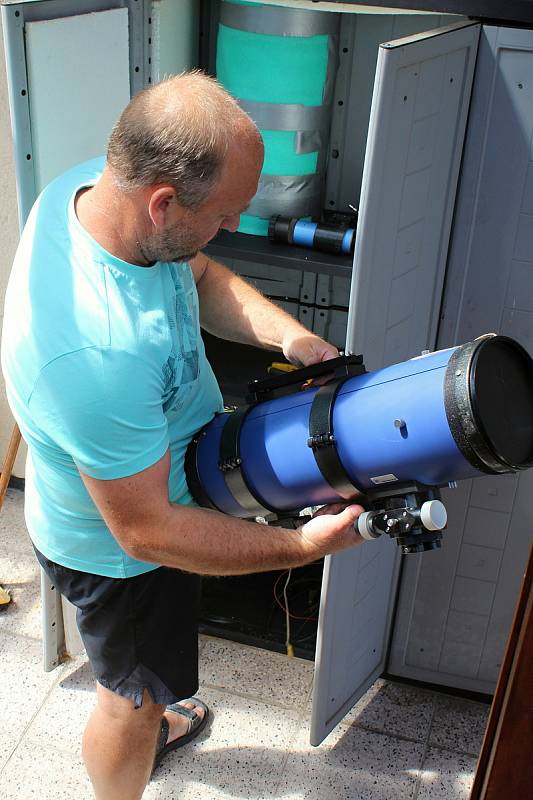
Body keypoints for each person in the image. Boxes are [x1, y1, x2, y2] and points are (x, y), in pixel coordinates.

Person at [1, 71, 365, 800]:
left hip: (145, 486)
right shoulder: (95, 352)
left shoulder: (99, 188)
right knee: (128, 695)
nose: (231, 227)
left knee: (144, 683)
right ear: (164, 202)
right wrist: (299, 548)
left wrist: (295, 341)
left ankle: (157, 716)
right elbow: (146, 533)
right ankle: (135, 752)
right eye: (226, 213)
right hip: (119, 551)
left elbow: (197, 276)